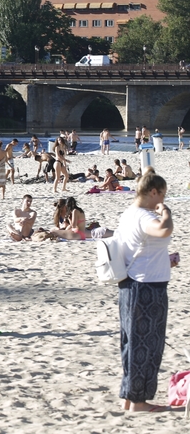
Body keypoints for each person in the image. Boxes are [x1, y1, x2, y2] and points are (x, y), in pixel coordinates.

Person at [115, 169, 173, 412]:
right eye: (162, 195)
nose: (163, 200)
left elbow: (140, 247)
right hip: (146, 286)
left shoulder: (130, 213)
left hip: (134, 283)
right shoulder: (144, 217)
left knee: (132, 343)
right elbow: (163, 230)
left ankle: (130, 397)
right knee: (146, 345)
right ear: (153, 192)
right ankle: (139, 401)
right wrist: (166, 213)